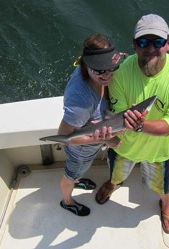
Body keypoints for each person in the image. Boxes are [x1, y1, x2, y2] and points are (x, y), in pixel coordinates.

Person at [95, 14, 169, 233]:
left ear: (168, 43)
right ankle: (114, 184)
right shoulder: (120, 71)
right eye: (143, 42)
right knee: (116, 174)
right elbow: (118, 114)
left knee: (164, 186)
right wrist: (127, 123)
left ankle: (166, 204)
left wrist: (141, 125)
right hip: (124, 146)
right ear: (134, 45)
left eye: (157, 42)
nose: (150, 48)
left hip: (160, 150)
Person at [58, 33, 126, 216]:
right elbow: (65, 138)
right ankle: (68, 200)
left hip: (90, 148)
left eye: (111, 67)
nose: (107, 74)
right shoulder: (81, 100)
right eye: (99, 70)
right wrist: (107, 141)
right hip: (80, 152)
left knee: (79, 171)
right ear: (86, 66)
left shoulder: (96, 72)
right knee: (70, 175)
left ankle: (78, 179)